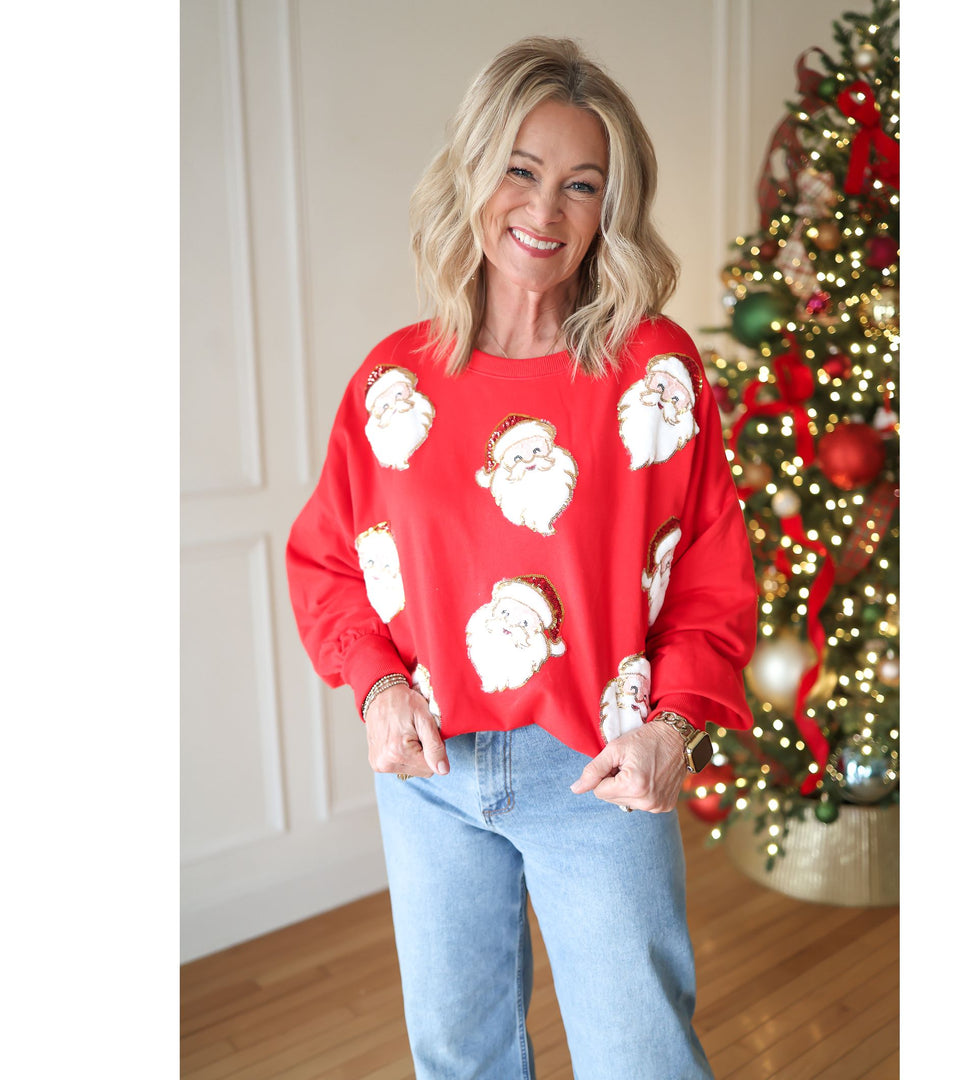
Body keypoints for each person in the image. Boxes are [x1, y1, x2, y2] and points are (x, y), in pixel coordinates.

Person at [286, 35, 758, 1080]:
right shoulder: (391, 385)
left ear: (609, 210)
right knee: (460, 1058)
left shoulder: (654, 376)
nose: (545, 212)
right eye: (521, 170)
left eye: (582, 185)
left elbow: (713, 580)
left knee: (645, 1061)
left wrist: (673, 728)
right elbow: (326, 563)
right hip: (432, 777)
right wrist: (374, 691)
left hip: (598, 770)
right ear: (474, 175)